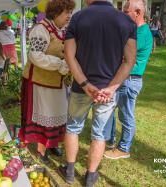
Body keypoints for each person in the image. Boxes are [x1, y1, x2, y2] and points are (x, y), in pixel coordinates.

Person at [58, 0, 137, 186]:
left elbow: (69, 56)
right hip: (106, 91)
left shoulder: (78, 17)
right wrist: (111, 88)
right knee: (99, 134)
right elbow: (130, 60)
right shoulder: (126, 21)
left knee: (73, 127)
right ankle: (91, 176)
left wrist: (85, 85)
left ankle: (69, 171)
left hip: (81, 87)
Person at [19, 0, 75, 163]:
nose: (69, 16)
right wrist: (60, 64)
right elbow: (35, 56)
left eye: (70, 12)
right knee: (44, 113)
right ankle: (41, 150)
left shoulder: (62, 30)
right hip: (39, 81)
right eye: (67, 12)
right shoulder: (40, 29)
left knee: (57, 112)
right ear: (56, 13)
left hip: (56, 81)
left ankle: (52, 143)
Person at [104, 0, 153, 159]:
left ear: (138, 13)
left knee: (126, 115)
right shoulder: (134, 30)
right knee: (110, 109)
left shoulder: (141, 33)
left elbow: (120, 52)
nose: (122, 14)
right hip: (123, 79)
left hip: (130, 80)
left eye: (126, 12)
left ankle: (124, 148)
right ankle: (109, 140)